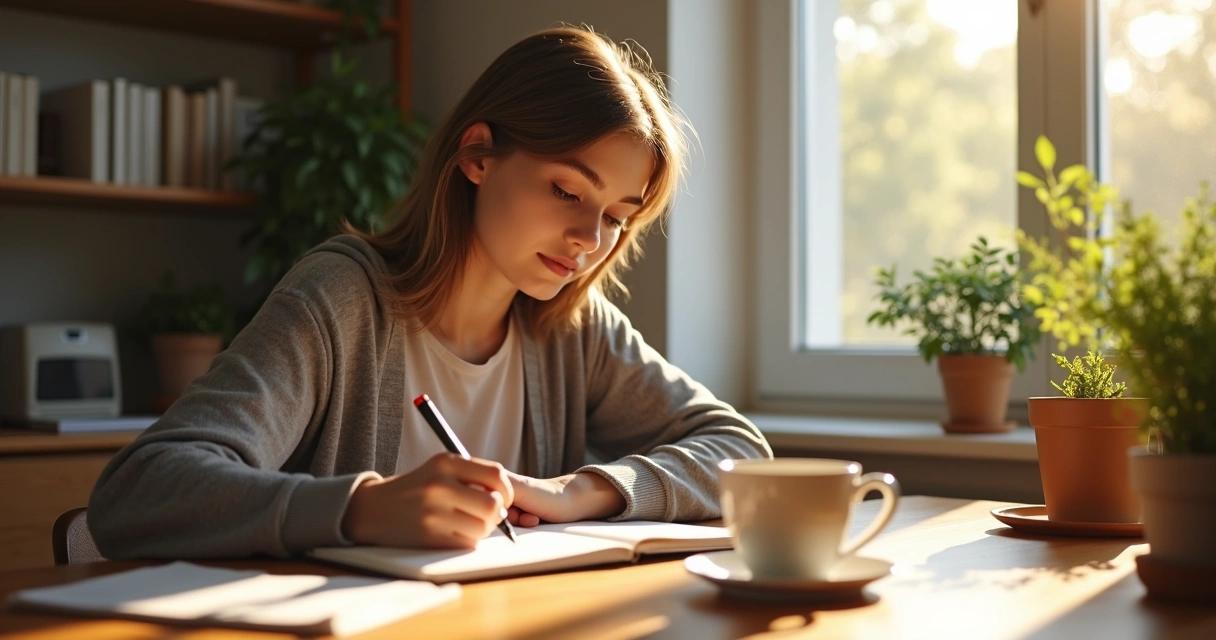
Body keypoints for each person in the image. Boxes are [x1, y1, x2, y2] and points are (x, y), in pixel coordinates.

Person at [88, 25, 772, 558]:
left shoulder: (574, 325)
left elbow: (740, 449)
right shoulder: (343, 299)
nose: (590, 239)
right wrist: (360, 509)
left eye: (617, 217)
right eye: (567, 191)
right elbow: (138, 491)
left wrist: (581, 490)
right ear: (477, 154)